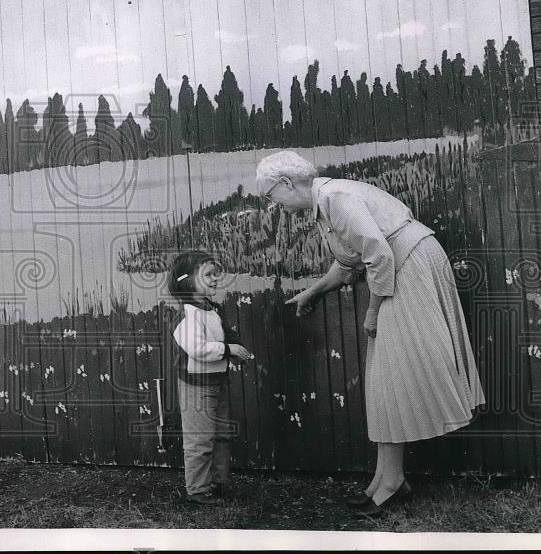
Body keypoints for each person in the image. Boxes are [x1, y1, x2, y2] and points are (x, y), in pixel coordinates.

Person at [256, 151, 484, 517]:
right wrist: (314, 291)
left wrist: (374, 310)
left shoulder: (336, 198)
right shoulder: (325, 203)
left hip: (410, 267)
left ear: (286, 183)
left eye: (271, 195)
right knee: (385, 377)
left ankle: (391, 480)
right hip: (405, 266)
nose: (273, 205)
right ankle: (389, 477)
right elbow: (349, 261)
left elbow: (379, 256)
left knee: (389, 375)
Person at [168, 250, 254, 505]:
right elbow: (197, 348)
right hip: (197, 385)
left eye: (217, 274)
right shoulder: (187, 315)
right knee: (200, 438)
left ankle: (218, 483)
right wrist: (228, 350)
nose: (216, 279)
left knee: (220, 435)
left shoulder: (212, 309)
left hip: (218, 380)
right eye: (208, 275)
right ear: (188, 282)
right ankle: (197, 489)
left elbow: (226, 335)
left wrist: (236, 348)